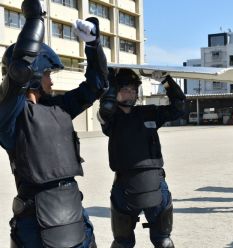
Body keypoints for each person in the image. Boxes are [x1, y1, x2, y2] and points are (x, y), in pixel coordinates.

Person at [0, 0, 109, 247]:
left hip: (73, 213)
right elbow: (18, 72)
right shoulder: (10, 116)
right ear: (35, 75)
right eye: (48, 74)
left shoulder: (58, 108)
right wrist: (35, 21)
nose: (51, 81)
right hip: (36, 221)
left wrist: (93, 46)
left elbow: (97, 85)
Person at [97, 68, 186, 248]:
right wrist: (111, 81)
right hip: (125, 184)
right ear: (115, 91)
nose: (130, 94)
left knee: (164, 241)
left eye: (133, 90)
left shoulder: (149, 112)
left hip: (155, 181)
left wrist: (167, 81)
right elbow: (105, 108)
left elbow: (179, 108)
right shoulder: (110, 117)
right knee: (122, 242)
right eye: (125, 89)